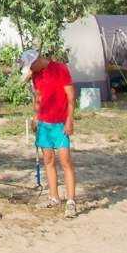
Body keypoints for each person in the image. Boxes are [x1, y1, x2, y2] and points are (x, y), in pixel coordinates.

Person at [22, 49, 79, 218]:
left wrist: (70, 120)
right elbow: (38, 97)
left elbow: (70, 96)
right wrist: (35, 117)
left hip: (60, 123)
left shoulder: (60, 69)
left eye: (31, 65)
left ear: (37, 60)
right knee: (48, 159)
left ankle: (71, 201)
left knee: (65, 160)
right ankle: (54, 197)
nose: (31, 69)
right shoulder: (36, 75)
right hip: (44, 124)